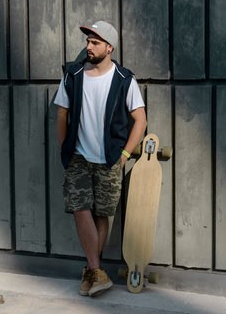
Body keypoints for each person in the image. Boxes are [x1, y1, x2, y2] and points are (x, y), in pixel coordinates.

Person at [54, 21, 147, 297]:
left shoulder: (124, 79)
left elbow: (140, 120)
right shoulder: (74, 74)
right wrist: (65, 150)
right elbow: (61, 113)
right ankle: (96, 269)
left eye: (95, 42)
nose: (88, 46)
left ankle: (92, 274)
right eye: (87, 41)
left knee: (101, 214)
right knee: (80, 208)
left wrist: (125, 155)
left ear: (110, 47)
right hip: (79, 158)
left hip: (109, 159)